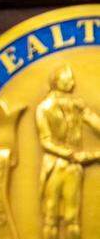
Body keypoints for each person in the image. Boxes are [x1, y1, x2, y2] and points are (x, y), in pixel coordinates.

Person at [35, 65, 100, 239]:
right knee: (51, 217)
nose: (73, 82)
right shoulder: (44, 108)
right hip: (54, 167)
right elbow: (45, 141)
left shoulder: (77, 106)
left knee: (73, 218)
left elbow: (95, 123)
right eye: (68, 78)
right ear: (58, 82)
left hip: (73, 169)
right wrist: (71, 154)